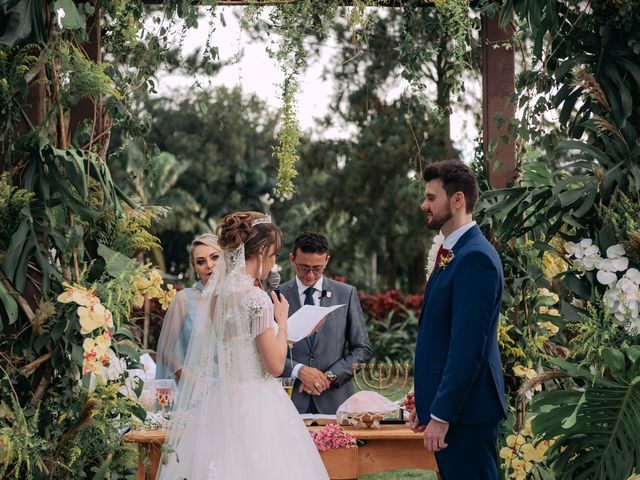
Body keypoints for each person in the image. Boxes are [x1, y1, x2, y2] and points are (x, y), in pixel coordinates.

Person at [158, 212, 328, 480]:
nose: (273, 264)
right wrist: (282, 322)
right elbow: (273, 366)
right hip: (258, 404)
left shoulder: (217, 297)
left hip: (221, 399)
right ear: (261, 252)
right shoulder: (257, 300)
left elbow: (241, 345)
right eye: (273, 255)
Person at [410, 160, 507, 479]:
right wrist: (426, 401)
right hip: (458, 412)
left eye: (431, 197)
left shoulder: (475, 257)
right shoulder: (454, 252)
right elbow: (439, 336)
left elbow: (467, 348)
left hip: (467, 414)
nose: (424, 205)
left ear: (457, 200)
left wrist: (441, 413)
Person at [280, 232, 372, 415]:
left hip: (335, 402)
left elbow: (362, 348)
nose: (310, 275)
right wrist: (299, 371)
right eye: (303, 268)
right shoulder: (276, 295)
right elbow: (265, 352)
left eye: (317, 268)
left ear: (327, 261)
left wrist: (329, 377)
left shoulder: (346, 293)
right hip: (288, 402)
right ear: (292, 259)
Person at [155, 233, 221, 382]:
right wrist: (192, 381)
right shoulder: (184, 299)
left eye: (215, 257)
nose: (209, 265)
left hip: (230, 392)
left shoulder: (237, 299)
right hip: (193, 391)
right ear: (194, 268)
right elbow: (165, 350)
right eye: (201, 261)